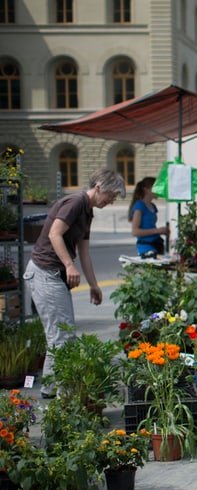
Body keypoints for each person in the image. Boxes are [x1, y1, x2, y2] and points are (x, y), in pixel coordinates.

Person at [23, 168, 127, 398]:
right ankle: (64, 392)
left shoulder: (87, 211)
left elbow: (85, 252)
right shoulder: (76, 202)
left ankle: (51, 390)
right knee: (63, 335)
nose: (111, 201)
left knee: (60, 334)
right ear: (99, 187)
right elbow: (54, 234)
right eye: (111, 195)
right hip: (45, 272)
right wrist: (69, 265)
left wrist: (93, 284)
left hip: (52, 273)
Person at [128, 176, 169, 257]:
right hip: (146, 248)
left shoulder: (153, 206)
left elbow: (150, 226)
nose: (158, 190)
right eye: (155, 187)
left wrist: (162, 231)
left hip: (156, 244)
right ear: (146, 189)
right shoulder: (139, 206)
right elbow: (135, 231)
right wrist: (157, 231)